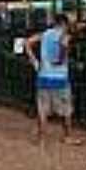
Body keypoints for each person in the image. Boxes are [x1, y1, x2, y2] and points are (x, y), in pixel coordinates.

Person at [25, 14, 81, 145]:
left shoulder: (45, 34)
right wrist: (62, 55)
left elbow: (28, 42)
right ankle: (67, 136)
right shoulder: (64, 36)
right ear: (64, 24)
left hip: (43, 76)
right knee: (66, 109)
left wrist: (34, 61)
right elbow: (62, 53)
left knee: (42, 109)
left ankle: (41, 139)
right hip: (60, 77)